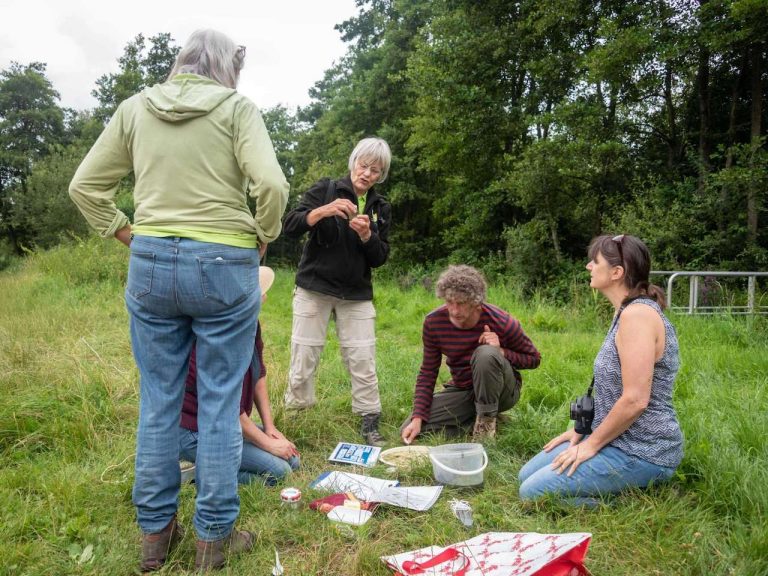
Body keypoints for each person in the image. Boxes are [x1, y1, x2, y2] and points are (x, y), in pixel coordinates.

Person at [69, 29, 289, 572]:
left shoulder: (135, 107)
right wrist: (261, 237)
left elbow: (84, 186)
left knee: (158, 402)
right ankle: (212, 540)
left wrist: (126, 233)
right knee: (218, 406)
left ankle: (154, 540)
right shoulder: (237, 109)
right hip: (223, 262)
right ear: (226, 68)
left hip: (150, 261)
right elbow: (273, 186)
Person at [518, 234, 683, 505]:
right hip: (614, 437)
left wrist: (590, 446)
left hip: (644, 450)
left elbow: (635, 400)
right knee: (525, 476)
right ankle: (613, 482)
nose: (588, 266)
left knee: (533, 494)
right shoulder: (624, 311)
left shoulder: (638, 317)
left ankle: (631, 500)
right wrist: (581, 431)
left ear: (617, 272)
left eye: (595, 261)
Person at [282, 137, 392, 447]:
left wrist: (368, 235)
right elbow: (290, 225)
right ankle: (297, 417)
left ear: (380, 175)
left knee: (362, 356)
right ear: (353, 162)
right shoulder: (325, 189)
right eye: (363, 165)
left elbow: (380, 258)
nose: (367, 173)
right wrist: (324, 211)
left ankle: (369, 421)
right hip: (314, 287)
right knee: (304, 353)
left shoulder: (380, 208)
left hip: (356, 292)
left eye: (375, 169)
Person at [179, 267, 300, 486]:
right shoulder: (214, 335)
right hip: (198, 430)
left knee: (293, 461)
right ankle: (200, 475)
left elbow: (258, 374)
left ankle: (210, 465)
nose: (265, 296)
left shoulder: (251, 324)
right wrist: (267, 444)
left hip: (230, 424)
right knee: (279, 473)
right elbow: (226, 405)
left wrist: (270, 428)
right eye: (259, 292)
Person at [401, 265, 541, 444]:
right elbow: (428, 372)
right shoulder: (434, 322)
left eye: (461, 303)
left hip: (502, 392)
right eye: (449, 302)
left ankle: (486, 424)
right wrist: (418, 417)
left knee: (486, 354)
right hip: (464, 390)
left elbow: (534, 359)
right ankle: (482, 421)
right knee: (412, 429)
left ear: (477, 302)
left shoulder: (502, 322)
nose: (454, 310)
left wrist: (501, 351)